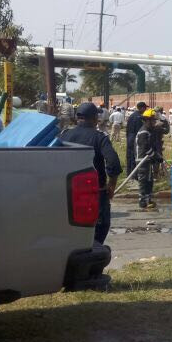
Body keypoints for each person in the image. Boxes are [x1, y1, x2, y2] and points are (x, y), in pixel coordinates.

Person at [59, 103, 122, 246]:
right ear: (94, 118)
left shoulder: (63, 135)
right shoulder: (100, 137)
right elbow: (113, 162)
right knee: (97, 234)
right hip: (93, 194)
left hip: (66, 194)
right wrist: (111, 185)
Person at [134, 109, 162, 210]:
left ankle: (148, 199)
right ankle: (142, 200)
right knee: (143, 180)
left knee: (149, 180)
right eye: (152, 120)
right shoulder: (143, 132)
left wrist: (156, 156)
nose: (154, 122)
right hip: (142, 159)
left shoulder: (149, 131)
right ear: (147, 120)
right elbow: (145, 147)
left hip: (148, 159)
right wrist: (155, 156)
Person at [125, 101, 148, 172]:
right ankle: (133, 175)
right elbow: (139, 131)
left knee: (129, 156)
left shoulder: (132, 115)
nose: (145, 110)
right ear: (141, 108)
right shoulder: (139, 117)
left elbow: (127, 128)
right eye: (145, 108)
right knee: (134, 156)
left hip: (129, 137)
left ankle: (129, 173)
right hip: (135, 138)